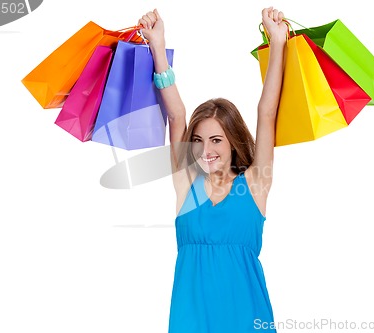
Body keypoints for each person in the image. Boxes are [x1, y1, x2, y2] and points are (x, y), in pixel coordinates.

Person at [139, 7, 287, 333]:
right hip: (191, 324)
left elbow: (267, 113)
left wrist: (278, 44)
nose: (207, 151)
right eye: (199, 141)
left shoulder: (255, 184)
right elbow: (177, 114)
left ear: (233, 142)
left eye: (217, 140)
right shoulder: (186, 183)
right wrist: (158, 48)